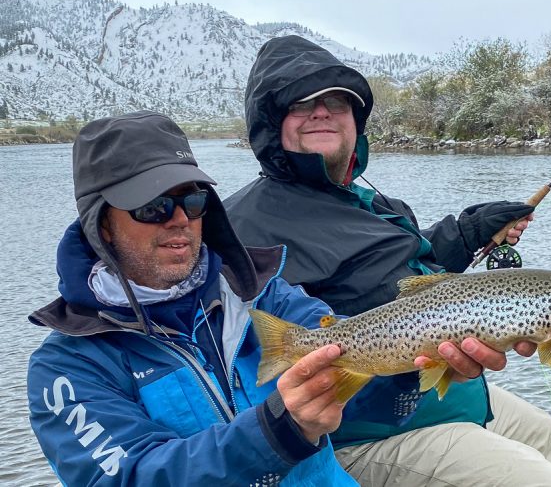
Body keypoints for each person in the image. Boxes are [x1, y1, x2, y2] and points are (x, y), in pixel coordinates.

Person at [224, 35, 551, 485]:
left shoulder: (370, 201)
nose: (320, 111)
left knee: (545, 435)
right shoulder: (240, 227)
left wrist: (468, 232)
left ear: (355, 122)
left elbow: (403, 272)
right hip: (360, 431)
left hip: (440, 392)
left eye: (336, 102)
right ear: (270, 125)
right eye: (299, 103)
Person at [28, 111, 370, 485]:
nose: (179, 220)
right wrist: (278, 431)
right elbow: (129, 477)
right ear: (103, 226)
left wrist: (409, 362)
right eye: (152, 207)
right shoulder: (66, 365)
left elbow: (363, 404)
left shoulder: (263, 294)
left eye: (191, 202)